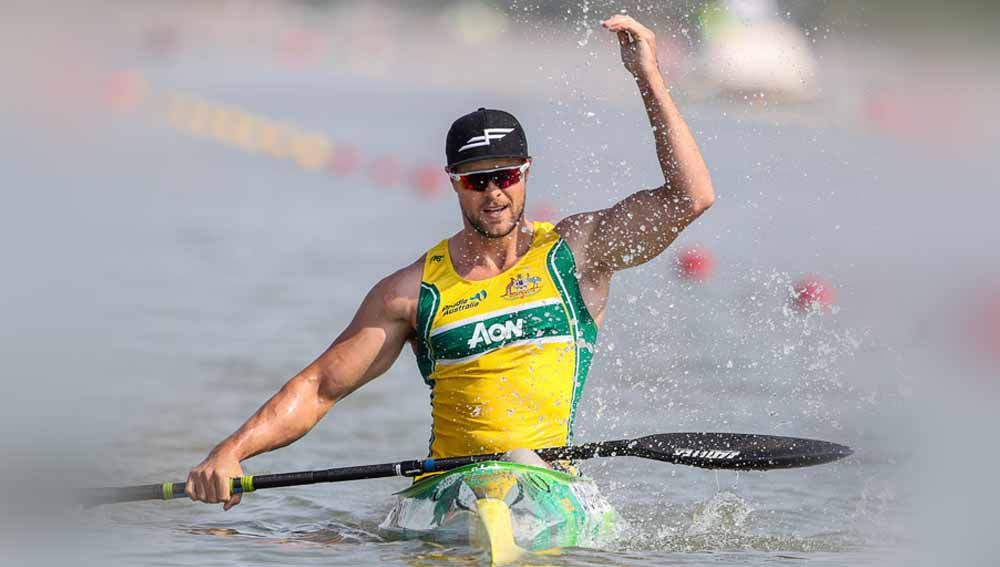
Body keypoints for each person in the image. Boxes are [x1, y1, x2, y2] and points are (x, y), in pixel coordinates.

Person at [186, 14, 714, 510]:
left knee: (523, 464)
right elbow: (320, 387)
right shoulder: (411, 293)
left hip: (548, 488)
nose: (493, 194)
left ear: (526, 173)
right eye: (476, 180)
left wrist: (648, 76)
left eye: (505, 176)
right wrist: (231, 452)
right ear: (454, 182)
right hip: (449, 494)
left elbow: (690, 198)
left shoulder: (576, 253)